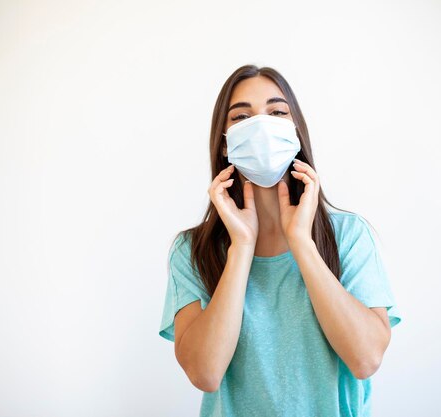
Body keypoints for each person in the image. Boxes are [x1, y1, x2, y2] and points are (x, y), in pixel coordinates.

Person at [159, 64, 402, 417]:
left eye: (276, 112)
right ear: (224, 144)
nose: (260, 126)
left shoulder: (349, 236)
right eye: (241, 117)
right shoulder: (192, 251)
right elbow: (205, 372)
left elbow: (366, 359)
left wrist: (301, 241)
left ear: (296, 134)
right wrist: (242, 247)